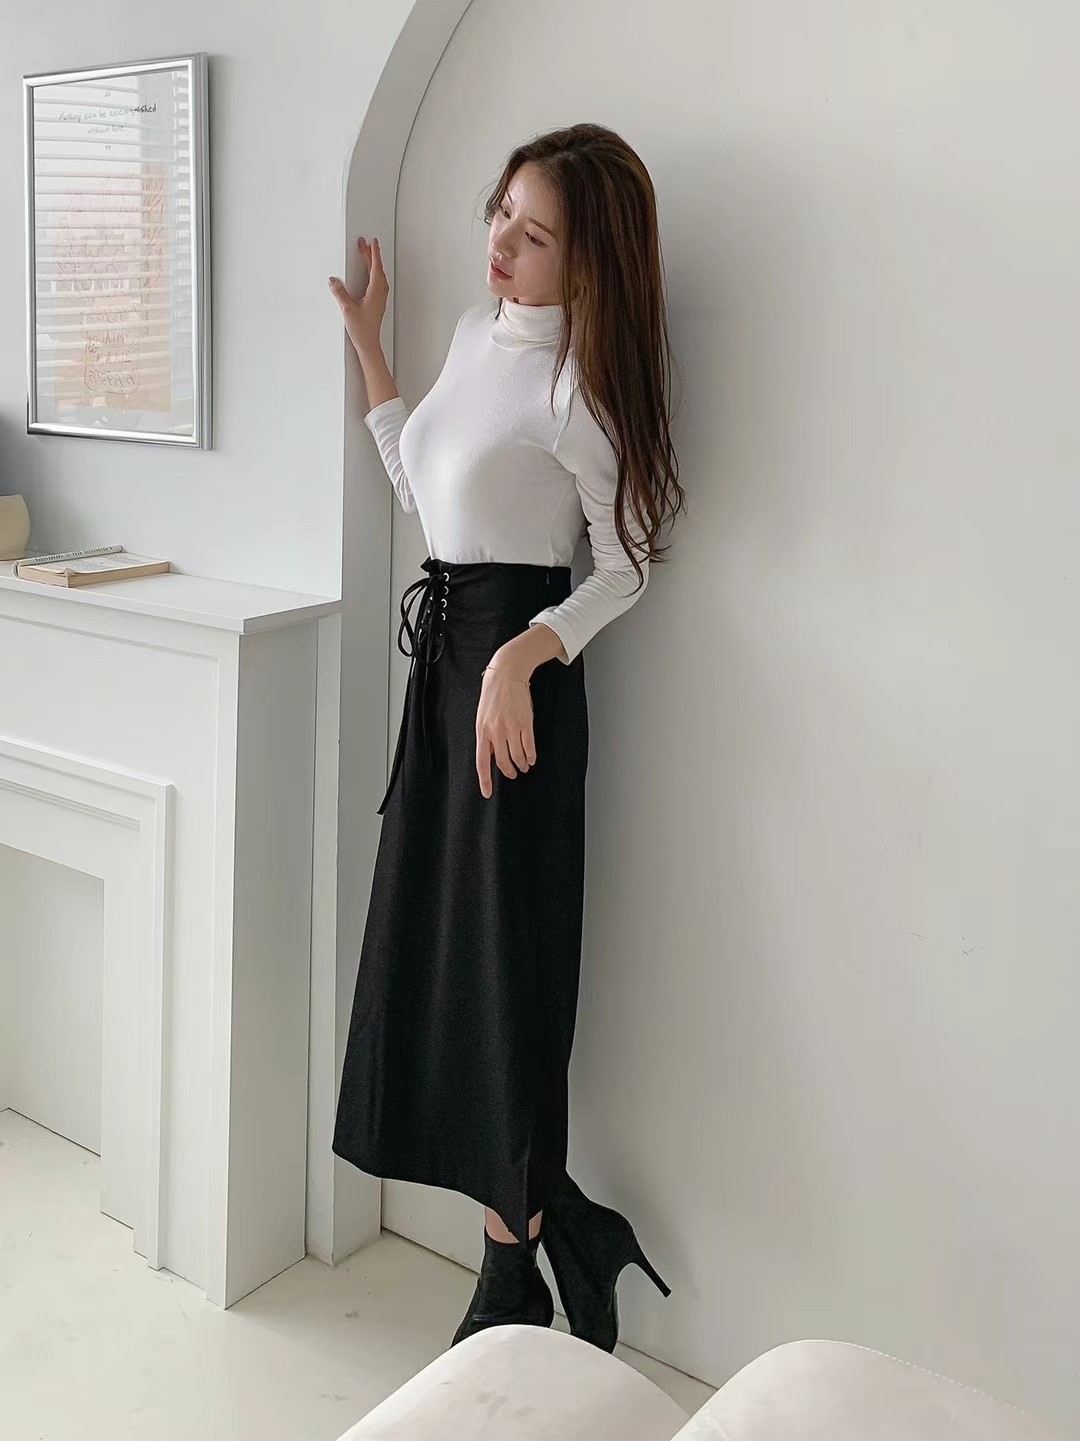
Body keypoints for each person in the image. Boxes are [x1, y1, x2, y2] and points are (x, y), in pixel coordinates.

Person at [327, 122, 685, 1352]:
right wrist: (373, 350)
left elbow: (627, 567)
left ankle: (509, 1267)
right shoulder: (477, 337)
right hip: (445, 672)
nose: (501, 246)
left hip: (515, 691)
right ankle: (560, 1228)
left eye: (533, 236)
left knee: (505, 978)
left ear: (586, 263)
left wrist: (527, 653)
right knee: (440, 962)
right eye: (500, 214)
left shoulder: (579, 389)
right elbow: (424, 494)